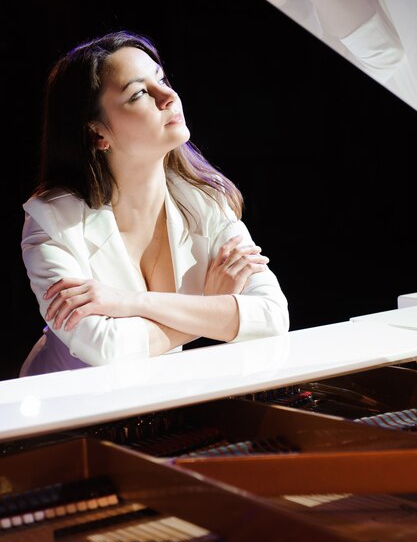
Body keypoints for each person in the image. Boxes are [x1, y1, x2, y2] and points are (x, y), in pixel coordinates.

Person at [20, 30, 289, 377]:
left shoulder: (206, 200)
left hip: (154, 403)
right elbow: (107, 349)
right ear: (97, 133)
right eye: (140, 93)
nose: (168, 97)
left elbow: (272, 316)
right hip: (62, 413)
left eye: (161, 79)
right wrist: (209, 312)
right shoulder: (52, 220)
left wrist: (133, 303)